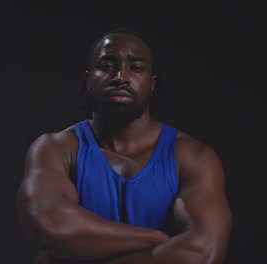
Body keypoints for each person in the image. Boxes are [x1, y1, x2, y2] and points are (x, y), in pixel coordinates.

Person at [16, 27, 232, 264]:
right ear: (88, 80)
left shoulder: (193, 157)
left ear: (152, 83)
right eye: (107, 66)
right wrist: (157, 239)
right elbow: (50, 226)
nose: (121, 76)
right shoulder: (55, 148)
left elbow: (203, 253)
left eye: (136, 68)